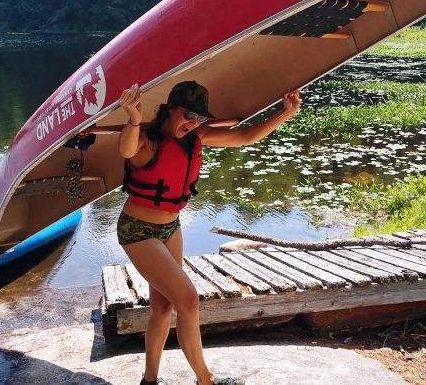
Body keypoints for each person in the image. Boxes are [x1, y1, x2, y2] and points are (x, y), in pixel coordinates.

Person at [117, 80, 301, 385]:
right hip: (138, 230)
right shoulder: (146, 140)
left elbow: (243, 136)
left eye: (199, 117)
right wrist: (134, 117)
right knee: (188, 300)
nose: (193, 122)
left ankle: (149, 381)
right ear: (170, 108)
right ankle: (207, 380)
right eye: (189, 114)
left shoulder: (195, 137)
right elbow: (126, 148)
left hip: (170, 228)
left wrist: (285, 114)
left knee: (163, 308)